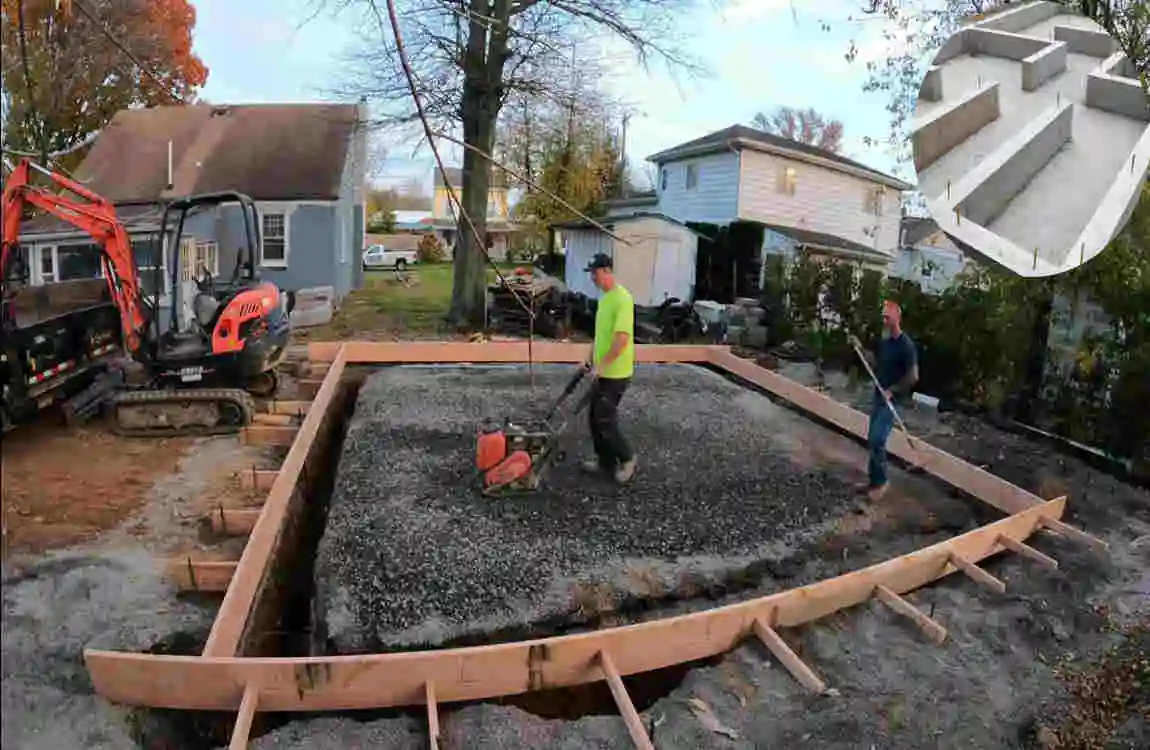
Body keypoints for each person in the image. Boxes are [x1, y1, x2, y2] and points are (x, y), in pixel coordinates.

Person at [849, 299, 918, 501]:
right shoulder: (886, 343)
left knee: (878, 439)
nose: (884, 320)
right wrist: (860, 348)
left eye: (887, 316)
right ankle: (874, 481)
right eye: (883, 317)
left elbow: (914, 376)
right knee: (872, 438)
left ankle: (882, 483)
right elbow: (874, 363)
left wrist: (894, 391)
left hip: (892, 400)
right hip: (879, 396)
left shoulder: (907, 345)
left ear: (897, 317)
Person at [581, 252, 637, 484]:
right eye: (591, 274)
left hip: (616, 373)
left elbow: (621, 340)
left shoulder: (622, 299)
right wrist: (589, 358)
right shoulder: (604, 298)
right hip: (602, 370)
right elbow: (600, 335)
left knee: (604, 418)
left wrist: (602, 366)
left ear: (606, 271)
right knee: (594, 417)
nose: (592, 278)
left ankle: (628, 459)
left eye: (595, 273)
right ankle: (605, 461)